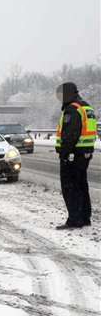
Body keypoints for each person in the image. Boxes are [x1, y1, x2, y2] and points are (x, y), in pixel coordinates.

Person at [55, 82, 96, 229]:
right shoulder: (86, 107)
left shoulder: (72, 109)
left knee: (71, 188)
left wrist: (64, 154)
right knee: (81, 186)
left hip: (72, 155)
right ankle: (85, 218)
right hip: (84, 154)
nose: (59, 98)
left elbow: (70, 135)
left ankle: (74, 220)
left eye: (61, 94)